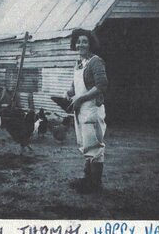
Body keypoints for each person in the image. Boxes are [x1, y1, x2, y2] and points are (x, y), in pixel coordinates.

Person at [65, 28, 108, 194]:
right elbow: (75, 86)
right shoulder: (78, 63)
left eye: (84, 41)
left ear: (90, 44)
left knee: (95, 147)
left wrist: (81, 98)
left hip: (92, 109)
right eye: (78, 41)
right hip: (80, 110)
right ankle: (87, 179)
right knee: (84, 144)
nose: (80, 44)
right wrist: (67, 93)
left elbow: (101, 85)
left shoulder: (96, 62)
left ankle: (95, 185)